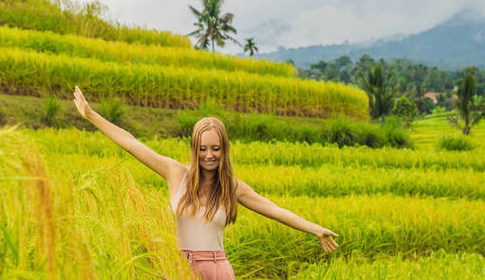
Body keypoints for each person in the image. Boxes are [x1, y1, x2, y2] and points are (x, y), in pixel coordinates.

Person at [72, 86, 339, 279]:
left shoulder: (233, 188)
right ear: (193, 148)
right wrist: (91, 115)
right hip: (177, 268)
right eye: (202, 148)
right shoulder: (175, 173)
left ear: (224, 150)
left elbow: (275, 210)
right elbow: (131, 143)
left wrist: (315, 229)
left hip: (215, 269)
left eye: (215, 148)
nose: (208, 156)